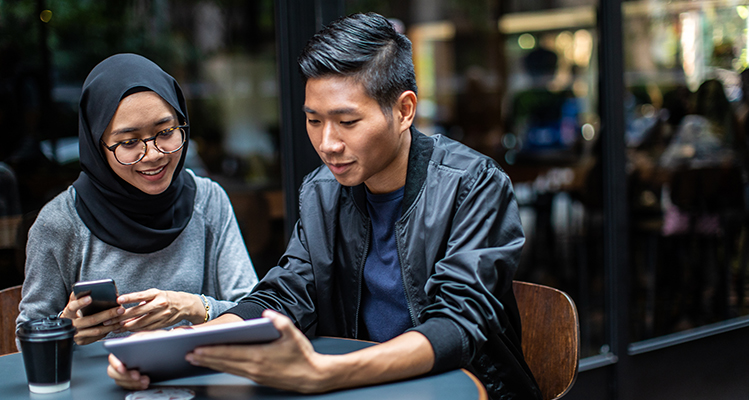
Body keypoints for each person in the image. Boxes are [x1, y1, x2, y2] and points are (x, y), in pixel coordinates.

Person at [109, 13, 541, 400]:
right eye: (314, 120)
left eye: (347, 122)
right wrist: (174, 350)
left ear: (404, 110)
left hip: (467, 389)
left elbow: (456, 325)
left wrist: (325, 373)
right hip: (362, 386)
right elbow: (286, 293)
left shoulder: (473, 184)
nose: (327, 144)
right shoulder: (323, 190)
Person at [17, 54, 259, 345]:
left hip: (198, 380)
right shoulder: (60, 223)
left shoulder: (208, 201)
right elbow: (25, 340)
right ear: (98, 146)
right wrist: (64, 329)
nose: (155, 154)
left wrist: (196, 307)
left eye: (166, 131)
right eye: (129, 142)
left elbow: (255, 311)